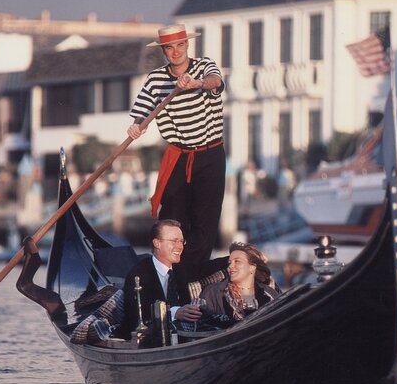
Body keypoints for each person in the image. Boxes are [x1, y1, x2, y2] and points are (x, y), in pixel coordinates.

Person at [128, 23, 226, 283]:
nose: (175, 52)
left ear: (187, 45)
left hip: (210, 156)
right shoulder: (156, 80)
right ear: (163, 50)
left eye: (180, 45)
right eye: (169, 47)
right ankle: (168, 278)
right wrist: (137, 125)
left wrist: (198, 84)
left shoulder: (204, 66)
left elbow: (216, 81)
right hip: (178, 157)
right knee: (171, 220)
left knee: (204, 224)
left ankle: (191, 280)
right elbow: (143, 112)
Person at [115, 219, 203, 340]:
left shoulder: (180, 270)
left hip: (180, 337)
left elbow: (207, 268)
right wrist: (175, 312)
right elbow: (137, 315)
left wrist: (235, 256)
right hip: (144, 341)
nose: (180, 246)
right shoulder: (138, 274)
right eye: (174, 241)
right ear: (157, 243)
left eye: (182, 241)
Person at [199, 242, 281, 321]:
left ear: (252, 267)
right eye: (229, 262)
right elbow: (204, 323)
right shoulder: (213, 292)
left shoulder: (270, 293)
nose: (230, 266)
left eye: (237, 261)